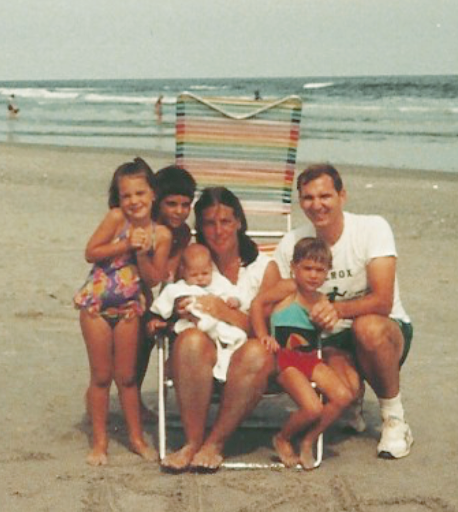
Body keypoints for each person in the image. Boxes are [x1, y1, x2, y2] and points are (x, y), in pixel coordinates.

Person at [274, 163, 414, 459]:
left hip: (385, 329)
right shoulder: (294, 242)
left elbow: (382, 300)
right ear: (300, 201)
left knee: (367, 328)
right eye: (308, 198)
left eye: (325, 196)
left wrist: (334, 308)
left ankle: (395, 418)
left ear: (342, 196)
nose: (317, 205)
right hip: (331, 341)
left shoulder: (371, 228)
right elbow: (276, 296)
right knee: (344, 392)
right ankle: (355, 399)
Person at [161, 186, 281, 472]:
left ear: (239, 221)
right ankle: (192, 442)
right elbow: (168, 306)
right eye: (209, 223)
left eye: (225, 221)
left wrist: (223, 311)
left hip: (250, 360)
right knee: (190, 339)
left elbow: (265, 330)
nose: (218, 230)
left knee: (256, 351)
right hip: (200, 357)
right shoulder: (192, 264)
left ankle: (214, 443)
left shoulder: (264, 268)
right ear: (199, 227)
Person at [73, 157, 172, 466]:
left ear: (153, 194)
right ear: (118, 198)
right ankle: (100, 442)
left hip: (130, 308)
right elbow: (91, 252)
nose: (133, 201)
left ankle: (137, 438)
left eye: (140, 193)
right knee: (101, 376)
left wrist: (142, 252)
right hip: (97, 305)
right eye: (126, 195)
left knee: (127, 377)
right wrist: (126, 244)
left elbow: (155, 277)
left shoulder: (162, 234)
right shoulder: (116, 219)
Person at [251, 237, 358, 469]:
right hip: (284, 358)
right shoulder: (289, 288)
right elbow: (258, 303)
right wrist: (262, 334)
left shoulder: (322, 299)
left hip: (309, 358)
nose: (313, 275)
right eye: (307, 268)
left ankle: (309, 439)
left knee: (344, 396)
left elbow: (319, 331)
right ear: (294, 267)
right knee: (312, 408)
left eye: (320, 270)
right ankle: (282, 437)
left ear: (328, 272)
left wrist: (325, 324)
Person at [136, 165, 196, 410]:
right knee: (140, 337)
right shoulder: (145, 227)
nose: (179, 211)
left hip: (155, 289)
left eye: (185, 204)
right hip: (132, 284)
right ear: (158, 202)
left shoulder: (181, 233)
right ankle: (134, 397)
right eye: (171, 204)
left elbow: (168, 277)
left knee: (153, 332)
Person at [151, 243, 247, 381]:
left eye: (205, 273)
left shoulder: (219, 282)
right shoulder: (179, 288)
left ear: (211, 269)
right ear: (183, 271)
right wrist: (159, 316)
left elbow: (234, 292)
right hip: (193, 325)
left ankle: (223, 364)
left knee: (238, 336)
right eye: (194, 274)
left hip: (217, 326)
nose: (200, 278)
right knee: (185, 324)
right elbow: (163, 303)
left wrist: (235, 300)